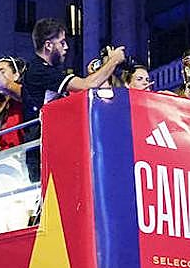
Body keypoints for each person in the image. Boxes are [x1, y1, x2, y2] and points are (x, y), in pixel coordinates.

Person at [20, 19, 123, 180]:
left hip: (50, 149)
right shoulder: (40, 70)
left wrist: (100, 71)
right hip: (42, 154)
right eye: (62, 42)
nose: (66, 47)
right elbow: (87, 84)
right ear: (48, 45)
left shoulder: (42, 69)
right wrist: (114, 61)